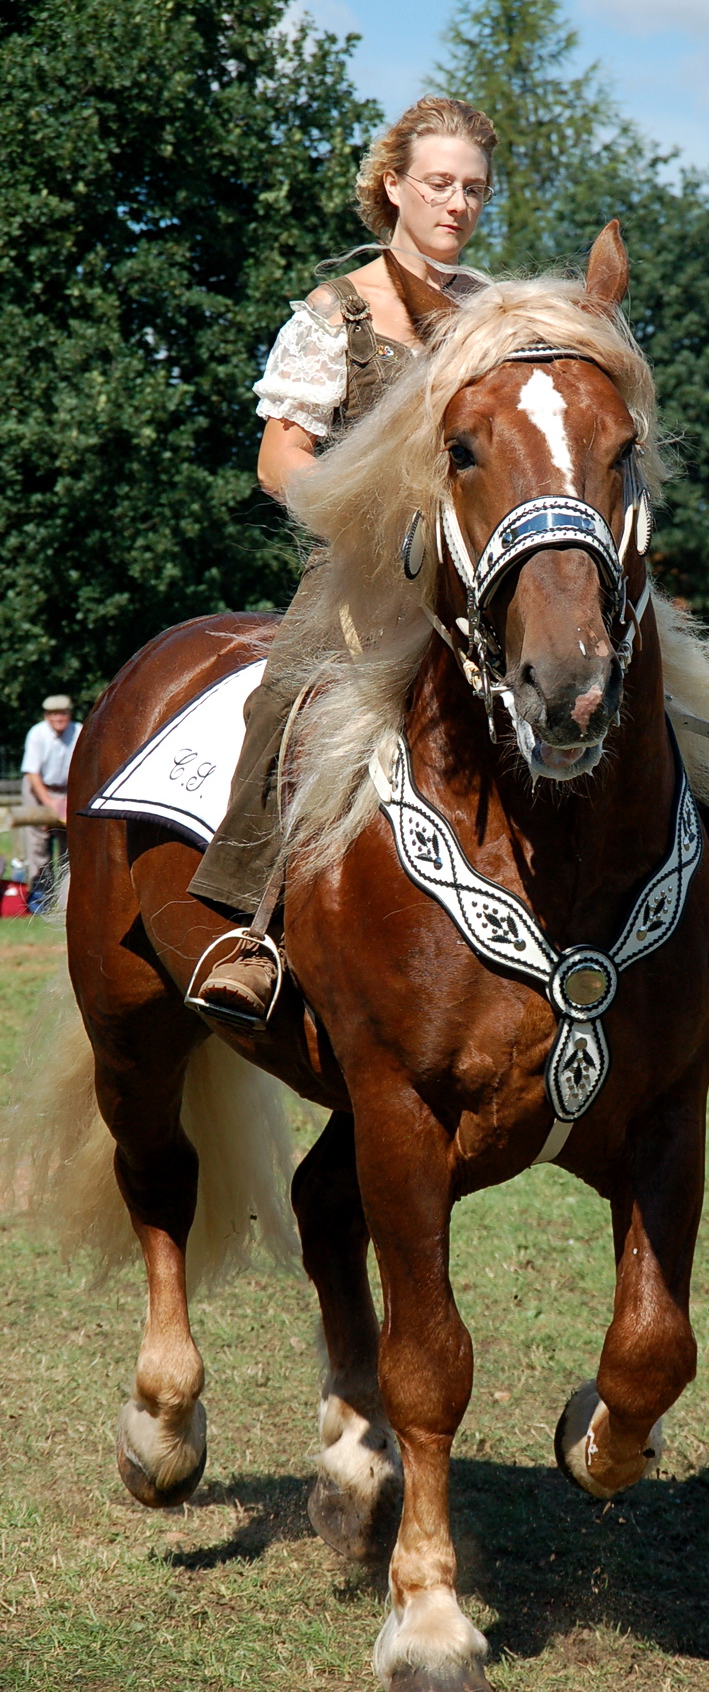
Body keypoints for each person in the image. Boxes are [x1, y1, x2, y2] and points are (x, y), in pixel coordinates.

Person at [189, 95, 498, 1021]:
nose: (456, 204)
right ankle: (245, 930)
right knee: (287, 692)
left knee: (645, 667)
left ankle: (690, 927)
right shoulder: (335, 312)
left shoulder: (494, 312)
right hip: (364, 569)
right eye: (438, 183)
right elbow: (278, 454)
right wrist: (355, 518)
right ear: (392, 186)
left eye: (473, 189)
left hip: (484, 568)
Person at [21, 694, 80, 887]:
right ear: (47, 716)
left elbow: (82, 769)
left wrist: (67, 800)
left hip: (69, 789)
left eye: (62, 713)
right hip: (38, 788)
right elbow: (31, 772)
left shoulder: (78, 731)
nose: (58, 718)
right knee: (38, 839)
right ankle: (40, 888)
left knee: (71, 840)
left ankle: (67, 889)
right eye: (53, 714)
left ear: (69, 714)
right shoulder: (37, 733)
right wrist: (50, 803)